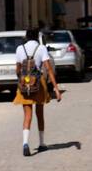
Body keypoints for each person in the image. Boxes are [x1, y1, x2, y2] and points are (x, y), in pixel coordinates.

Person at [14, 28, 61, 156]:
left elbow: (17, 69)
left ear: (26, 37)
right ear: (36, 37)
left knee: (27, 115)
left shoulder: (19, 49)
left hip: (24, 83)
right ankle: (41, 143)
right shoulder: (41, 49)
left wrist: (22, 80)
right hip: (39, 83)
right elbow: (49, 69)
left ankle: (25, 143)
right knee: (39, 114)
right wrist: (56, 88)